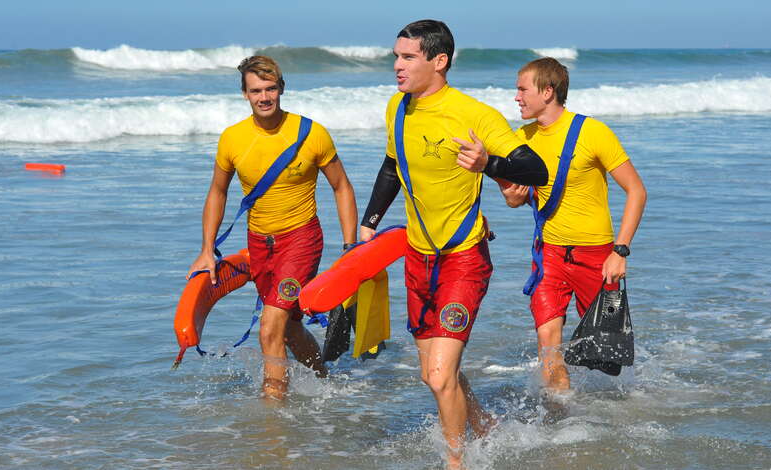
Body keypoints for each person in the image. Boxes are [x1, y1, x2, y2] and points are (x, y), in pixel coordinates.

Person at [359, 20, 548, 468]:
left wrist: (489, 162)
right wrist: (370, 222)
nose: (397, 65)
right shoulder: (397, 108)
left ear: (438, 61)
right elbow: (392, 165)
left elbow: (535, 170)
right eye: (396, 56)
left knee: (440, 374)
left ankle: (456, 462)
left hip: (463, 259)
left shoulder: (473, 114)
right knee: (435, 375)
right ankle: (485, 425)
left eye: (407, 57)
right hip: (417, 258)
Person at [187, 55, 357, 400]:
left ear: (281, 89)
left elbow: (342, 187)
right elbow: (217, 192)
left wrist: (350, 248)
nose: (264, 97)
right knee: (289, 327)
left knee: (269, 328)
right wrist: (207, 249)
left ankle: (272, 420)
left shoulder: (311, 133)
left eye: (271, 89)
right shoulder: (232, 139)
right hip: (260, 245)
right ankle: (325, 382)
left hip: (302, 239)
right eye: (256, 91)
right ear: (245, 95)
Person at [501, 57, 647, 399]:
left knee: (606, 359)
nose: (516, 97)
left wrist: (620, 251)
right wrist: (512, 196)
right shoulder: (521, 139)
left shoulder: (593, 132)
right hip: (548, 255)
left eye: (522, 89)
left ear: (548, 91)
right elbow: (515, 200)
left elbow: (637, 191)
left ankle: (616, 417)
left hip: (597, 256)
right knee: (548, 343)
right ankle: (562, 422)